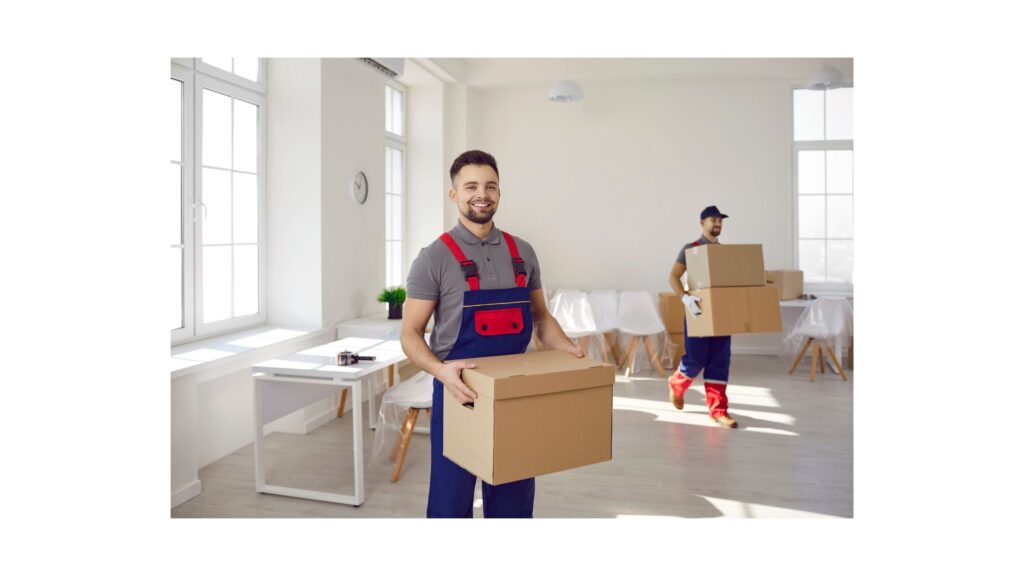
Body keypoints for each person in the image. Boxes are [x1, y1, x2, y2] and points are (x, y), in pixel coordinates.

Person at [400, 150, 583, 518]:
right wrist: (440, 372)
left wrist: (569, 351)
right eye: (471, 186)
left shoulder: (523, 253)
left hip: (516, 393)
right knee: (450, 504)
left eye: (490, 186)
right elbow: (410, 333)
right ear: (454, 195)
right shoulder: (433, 258)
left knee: (513, 502)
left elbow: (541, 317)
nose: (481, 194)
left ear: (499, 193)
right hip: (458, 392)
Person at [666, 205, 739, 428]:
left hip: (722, 313)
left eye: (720, 221)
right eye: (712, 220)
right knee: (696, 358)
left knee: (719, 361)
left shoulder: (725, 253)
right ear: (702, 223)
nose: (717, 224)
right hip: (698, 312)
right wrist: (685, 298)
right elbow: (673, 277)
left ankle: (719, 411)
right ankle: (676, 385)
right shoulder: (691, 249)